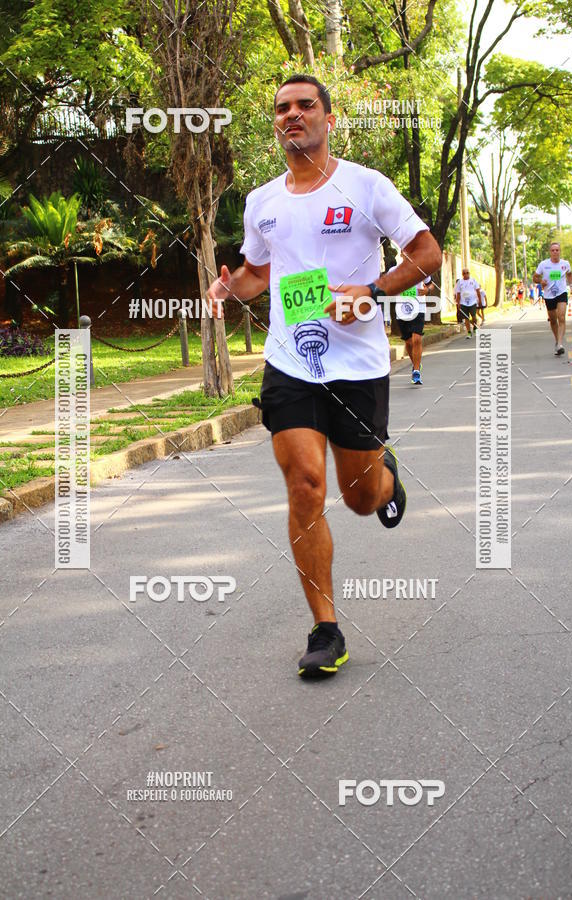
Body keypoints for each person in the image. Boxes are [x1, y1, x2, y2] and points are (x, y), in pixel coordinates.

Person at [207, 74, 441, 678]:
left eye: (305, 105)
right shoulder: (263, 202)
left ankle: (385, 477)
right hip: (290, 361)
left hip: (358, 364)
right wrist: (230, 286)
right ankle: (325, 629)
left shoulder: (365, 186)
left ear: (329, 119)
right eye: (282, 107)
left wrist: (371, 290)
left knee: (362, 499)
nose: (292, 114)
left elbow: (427, 252)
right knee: (305, 483)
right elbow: (258, 274)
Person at [389, 251, 435, 384]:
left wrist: (428, 290)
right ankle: (416, 363)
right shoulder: (394, 270)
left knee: (416, 339)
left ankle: (416, 371)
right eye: (406, 251)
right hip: (402, 309)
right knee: (408, 342)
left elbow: (431, 283)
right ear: (402, 253)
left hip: (419, 307)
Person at [533, 241, 572, 356]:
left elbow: (569, 274)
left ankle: (560, 344)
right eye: (553, 250)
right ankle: (557, 340)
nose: (555, 252)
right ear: (550, 252)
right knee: (553, 320)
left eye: (557, 250)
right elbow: (535, 278)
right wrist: (541, 281)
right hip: (549, 295)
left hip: (561, 293)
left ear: (560, 251)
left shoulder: (565, 264)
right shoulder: (543, 264)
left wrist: (571, 285)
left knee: (561, 317)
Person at [454, 267, 481, 338]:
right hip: (463, 303)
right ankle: (469, 332)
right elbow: (458, 293)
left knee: (474, 317)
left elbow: (478, 290)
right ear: (462, 274)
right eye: (464, 273)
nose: (466, 274)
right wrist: (458, 303)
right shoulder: (460, 282)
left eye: (467, 273)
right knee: (466, 318)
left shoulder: (473, 280)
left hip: (472, 302)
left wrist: (479, 300)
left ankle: (475, 327)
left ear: (469, 273)